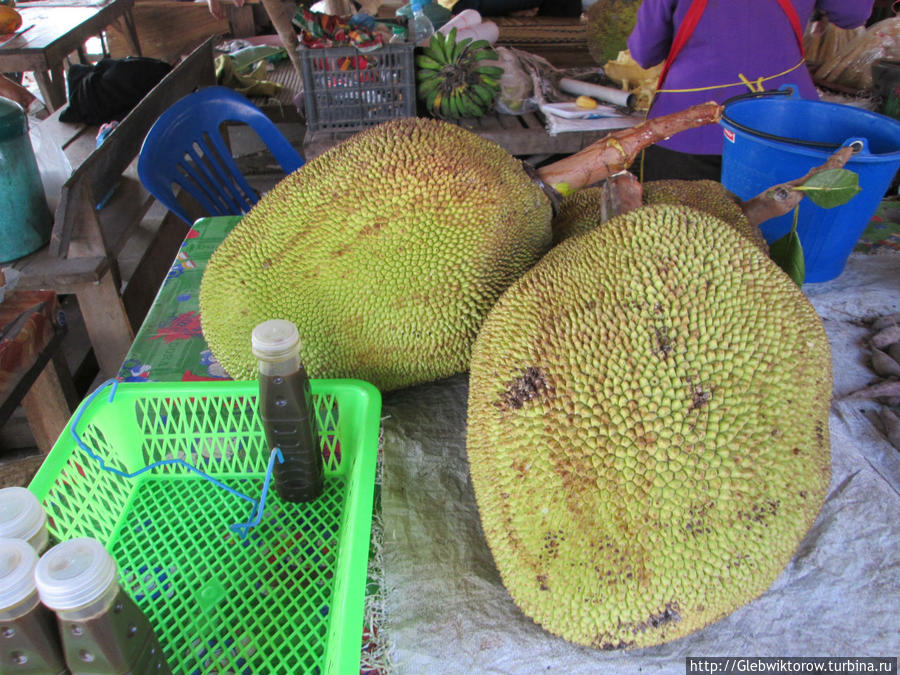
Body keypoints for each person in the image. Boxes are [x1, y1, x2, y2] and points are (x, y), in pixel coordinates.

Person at [627, 0, 875, 182]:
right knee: (771, 242)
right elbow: (852, 14)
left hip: (686, 128)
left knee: (674, 244)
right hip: (784, 126)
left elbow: (644, 52)